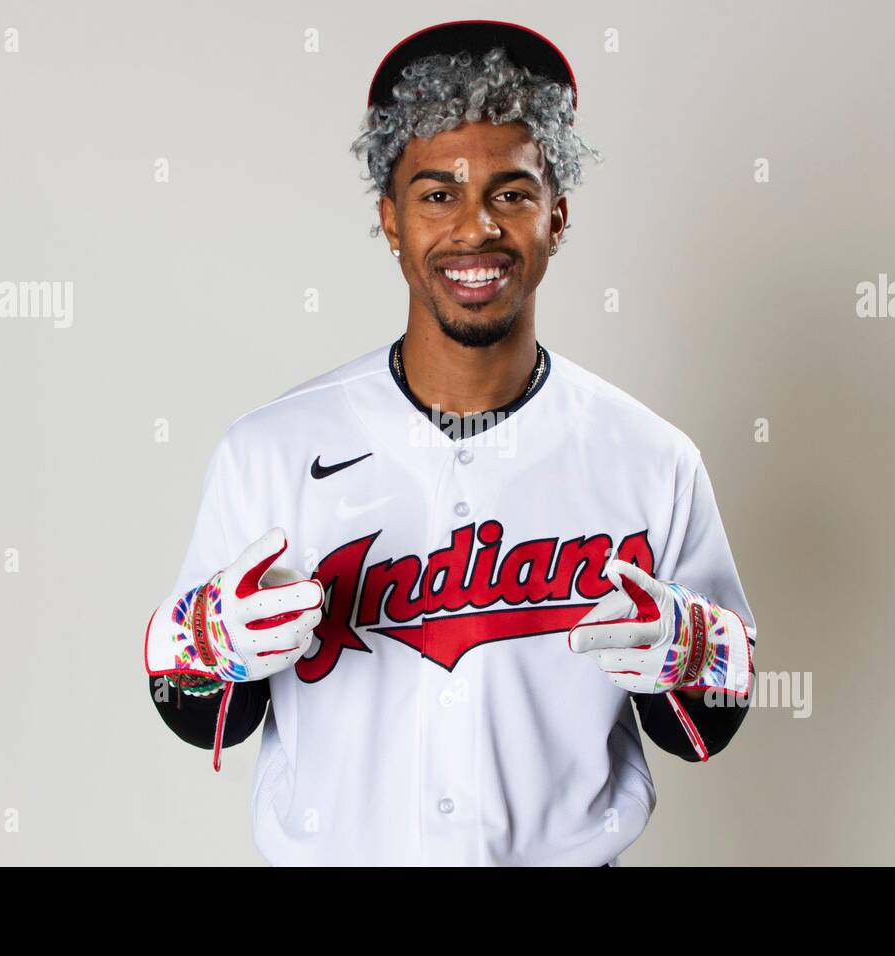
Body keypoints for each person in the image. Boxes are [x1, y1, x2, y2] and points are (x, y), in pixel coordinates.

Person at [143, 19, 756, 866]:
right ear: (391, 220)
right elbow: (197, 713)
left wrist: (688, 649)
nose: (476, 229)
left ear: (557, 216)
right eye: (438, 194)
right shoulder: (271, 451)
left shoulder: (651, 460)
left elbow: (703, 732)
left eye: (511, 193)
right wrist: (215, 646)